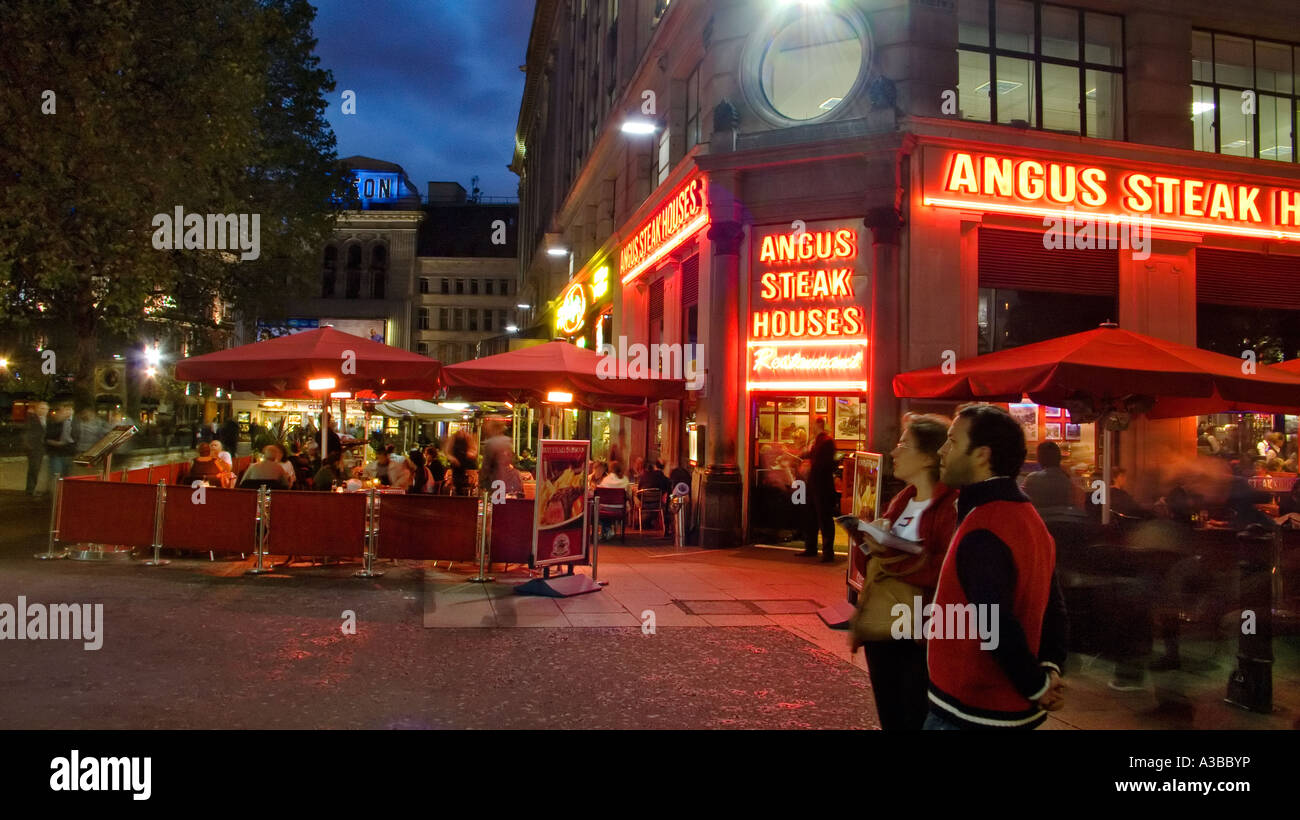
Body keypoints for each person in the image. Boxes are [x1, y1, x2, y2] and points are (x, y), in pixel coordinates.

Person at [926, 404, 1067, 730]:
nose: (942, 451)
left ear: (981, 455)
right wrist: (1050, 668)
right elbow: (1053, 606)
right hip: (1005, 711)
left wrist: (1037, 685)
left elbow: (995, 623)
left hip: (971, 711)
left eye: (952, 442)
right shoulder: (1027, 517)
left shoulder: (986, 526)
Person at [851, 415, 960, 731]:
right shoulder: (902, 500)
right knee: (891, 715)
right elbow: (868, 567)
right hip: (882, 628)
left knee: (914, 713)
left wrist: (891, 559)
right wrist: (866, 541)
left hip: (919, 633)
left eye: (903, 444)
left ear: (928, 456)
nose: (895, 452)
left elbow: (947, 569)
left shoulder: (949, 506)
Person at [800, 416, 838, 562]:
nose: (811, 427)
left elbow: (827, 464)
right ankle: (811, 547)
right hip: (815, 485)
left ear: (819, 425)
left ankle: (827, 552)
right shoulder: (817, 441)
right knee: (812, 517)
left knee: (824, 519)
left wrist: (810, 465)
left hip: (822, 486)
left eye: (813, 424)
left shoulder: (826, 441)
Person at [1022, 441, 1076, 511]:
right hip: (1062, 520)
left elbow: (1023, 501)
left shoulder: (1031, 479)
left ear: (1040, 459)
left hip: (1040, 520)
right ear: (1059, 458)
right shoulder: (1067, 481)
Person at [44, 404, 76, 482]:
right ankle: (55, 491)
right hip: (56, 453)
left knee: (66, 476)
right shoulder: (54, 422)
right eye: (65, 410)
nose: (67, 412)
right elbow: (47, 437)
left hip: (69, 453)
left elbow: (77, 437)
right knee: (56, 474)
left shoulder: (75, 423)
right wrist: (55, 443)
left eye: (69, 410)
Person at [24, 401, 50, 495]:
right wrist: (29, 445)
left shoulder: (48, 420)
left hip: (44, 448)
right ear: (36, 409)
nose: (43, 410)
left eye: (45, 409)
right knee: (34, 468)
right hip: (34, 448)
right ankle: (30, 489)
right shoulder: (31, 419)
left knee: (39, 469)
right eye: (41, 408)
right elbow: (27, 432)